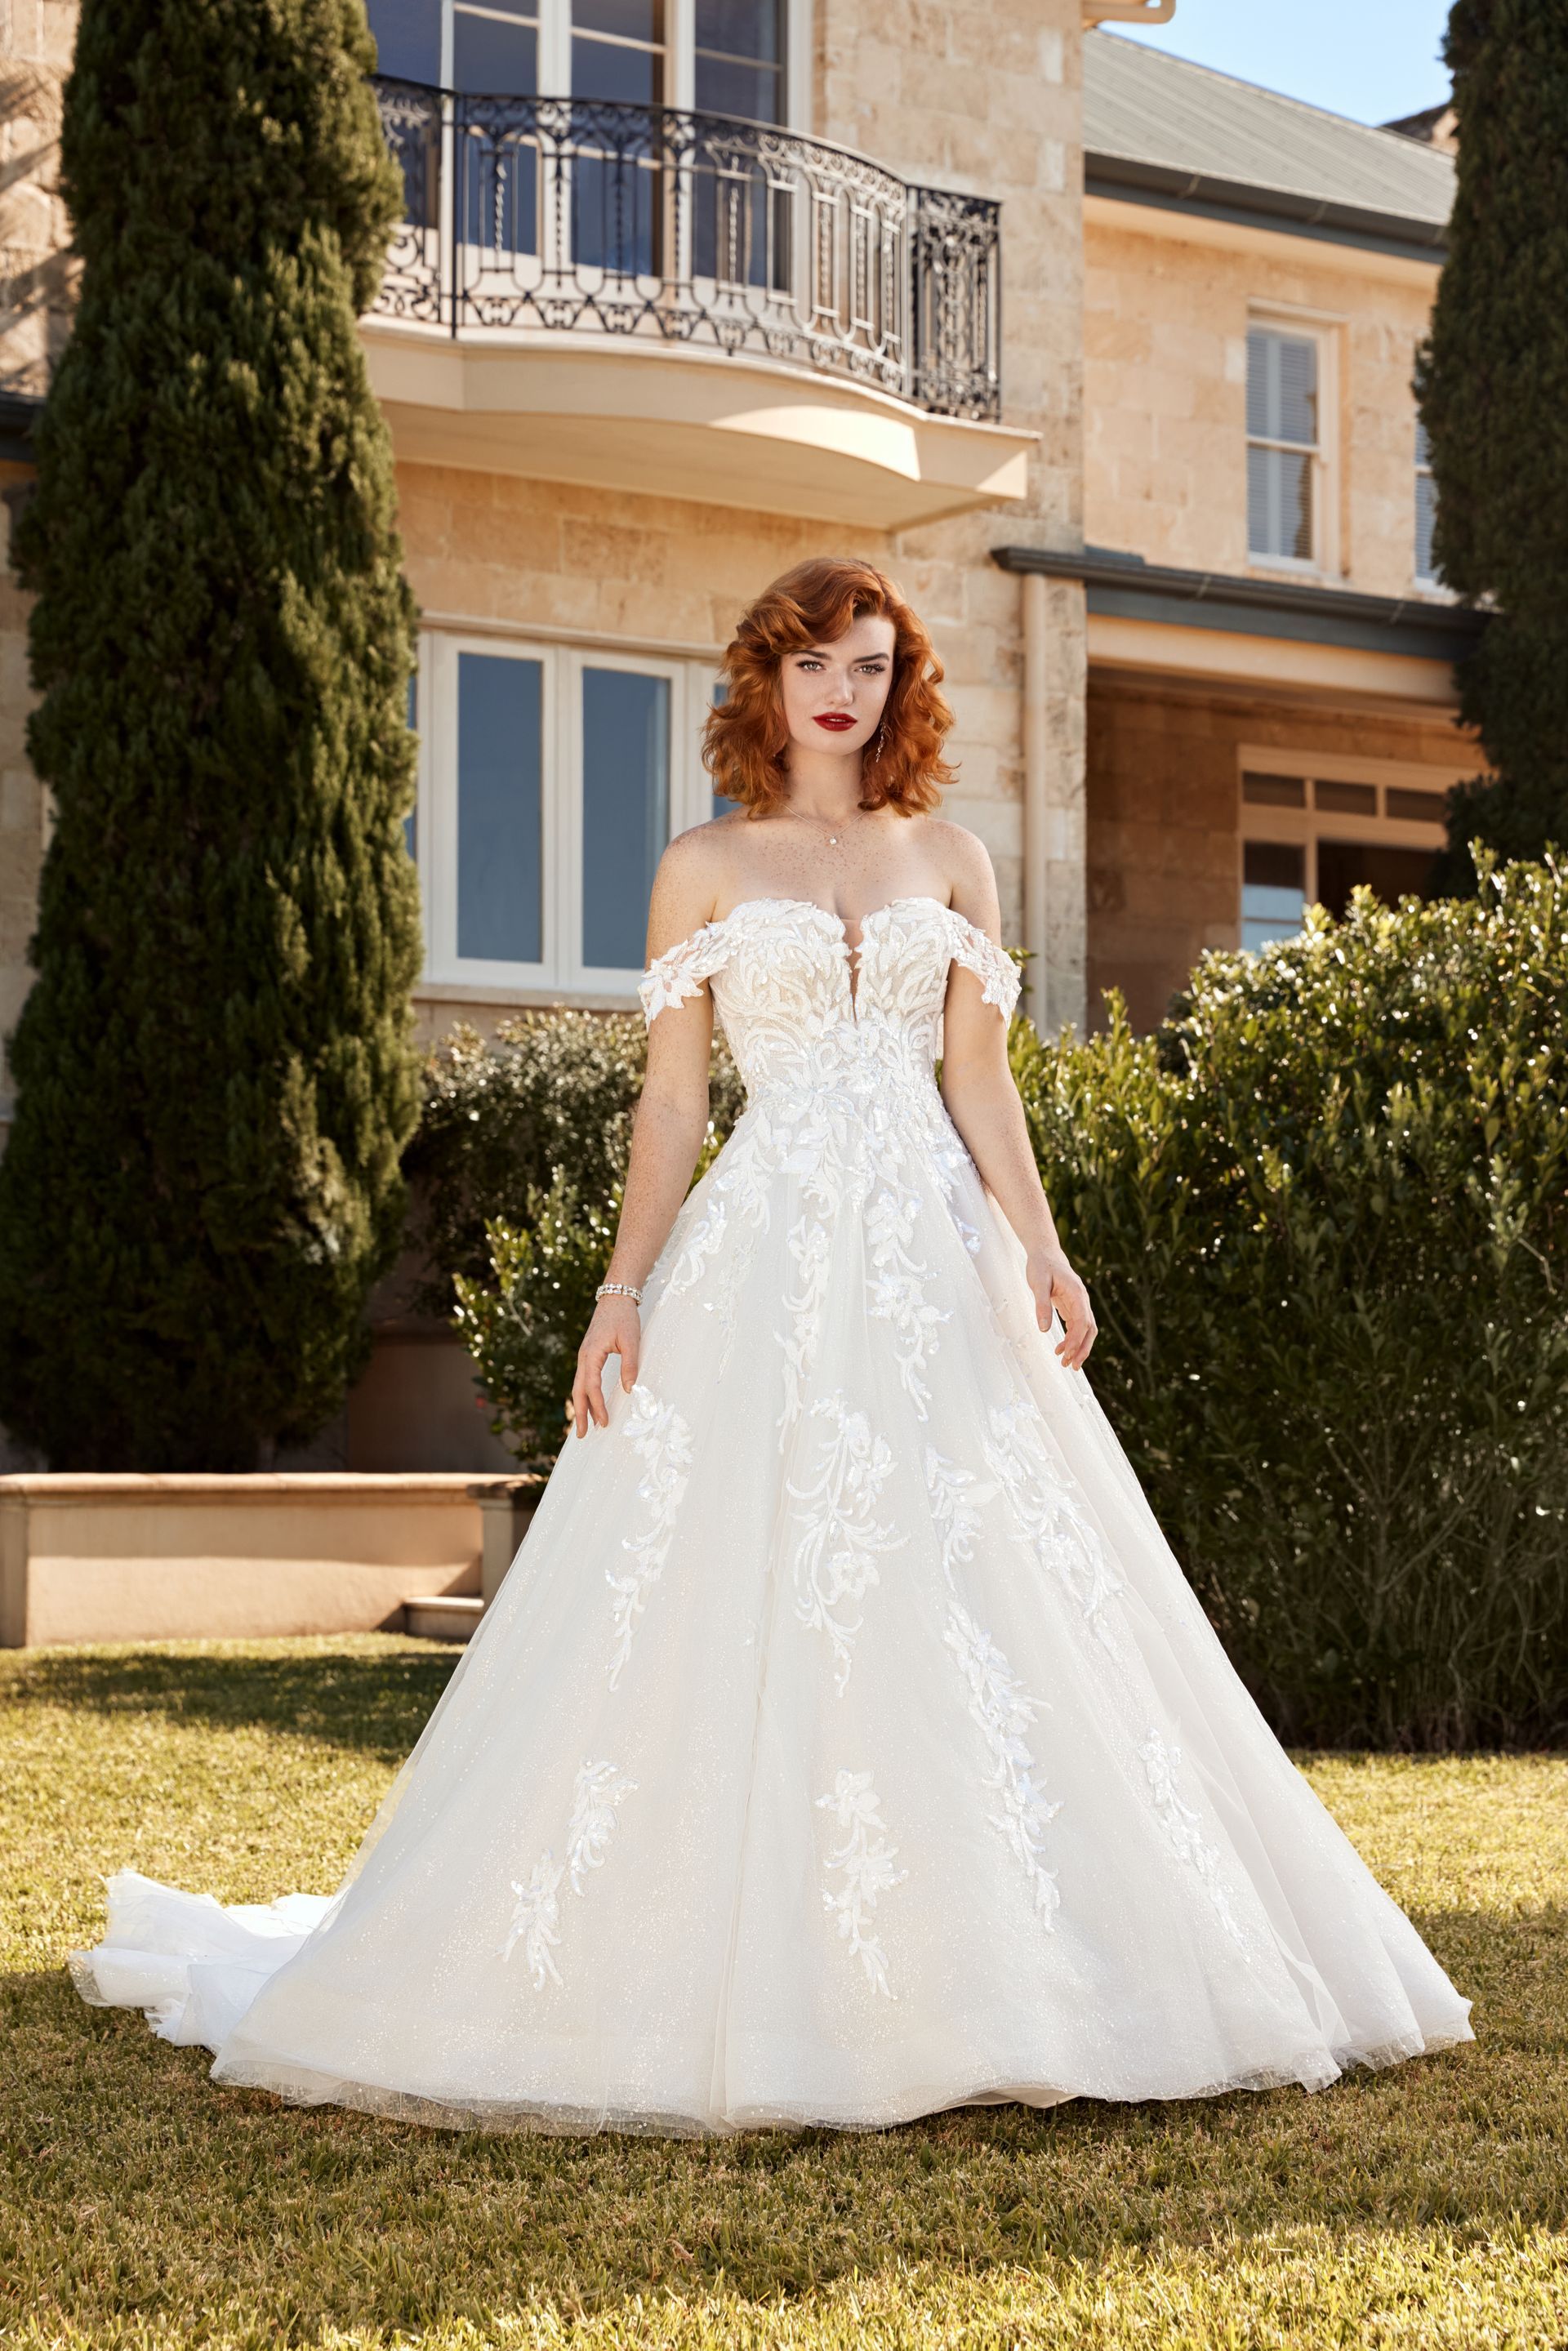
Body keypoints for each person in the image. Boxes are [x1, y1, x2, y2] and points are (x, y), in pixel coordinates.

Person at [71, 557, 1472, 2133]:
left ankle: (1010, 1965)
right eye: (816, 661)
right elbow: (673, 1099)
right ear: (767, 677)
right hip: (768, 1259)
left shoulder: (953, 856)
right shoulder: (704, 867)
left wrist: (1044, 1244)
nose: (842, 690)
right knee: (731, 1590)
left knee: (987, 1586)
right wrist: (621, 1293)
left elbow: (981, 1086)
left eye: (871, 665)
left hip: (939, 1267)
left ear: (899, 684)